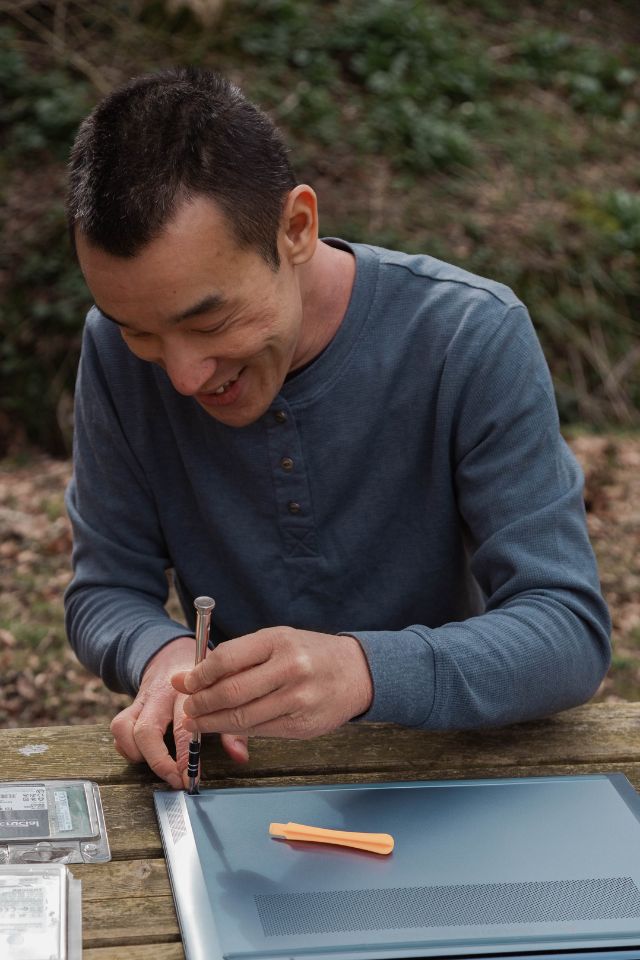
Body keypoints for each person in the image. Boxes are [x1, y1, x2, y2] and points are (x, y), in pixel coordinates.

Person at [64, 67, 611, 790]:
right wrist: (159, 654)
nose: (184, 376)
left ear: (296, 228)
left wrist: (363, 670)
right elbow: (104, 588)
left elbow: (566, 629)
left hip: (452, 776)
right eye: (142, 334)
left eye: (209, 322)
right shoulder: (110, 349)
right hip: (242, 784)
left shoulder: (469, 337)